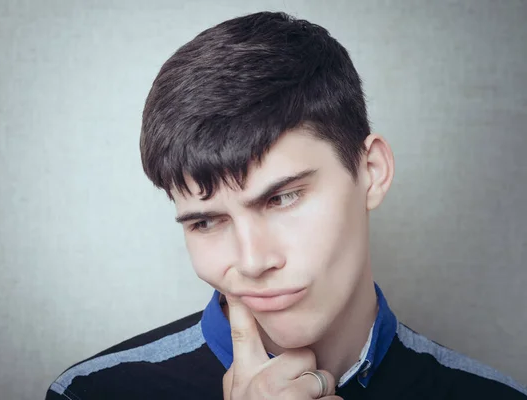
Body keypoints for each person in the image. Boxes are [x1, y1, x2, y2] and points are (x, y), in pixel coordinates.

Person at [46, 11, 527, 400]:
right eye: (206, 221)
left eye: (282, 197)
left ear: (372, 173)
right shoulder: (92, 393)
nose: (252, 261)